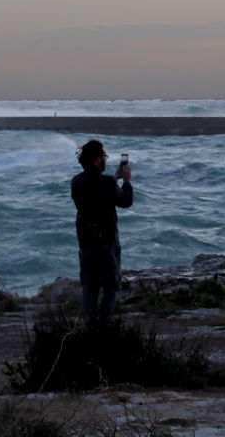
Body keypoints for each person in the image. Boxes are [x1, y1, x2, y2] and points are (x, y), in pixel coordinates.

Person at [71, 139, 133, 325]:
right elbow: (125, 201)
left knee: (89, 287)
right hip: (106, 242)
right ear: (98, 159)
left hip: (85, 242)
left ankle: (87, 327)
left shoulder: (76, 182)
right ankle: (106, 327)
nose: (105, 159)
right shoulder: (106, 183)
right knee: (110, 287)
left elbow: (96, 192)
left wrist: (114, 180)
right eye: (104, 156)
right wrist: (127, 182)